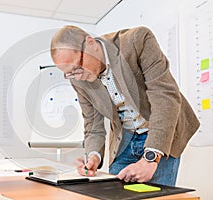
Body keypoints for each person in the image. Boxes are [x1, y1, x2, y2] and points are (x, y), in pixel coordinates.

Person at [50, 25, 200, 186]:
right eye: (69, 73)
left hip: (159, 131)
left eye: (77, 68)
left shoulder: (137, 41)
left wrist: (151, 158)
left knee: (156, 196)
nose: (77, 77)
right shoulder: (78, 80)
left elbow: (164, 96)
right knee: (114, 194)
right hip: (125, 140)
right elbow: (93, 124)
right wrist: (93, 156)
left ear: (90, 43)